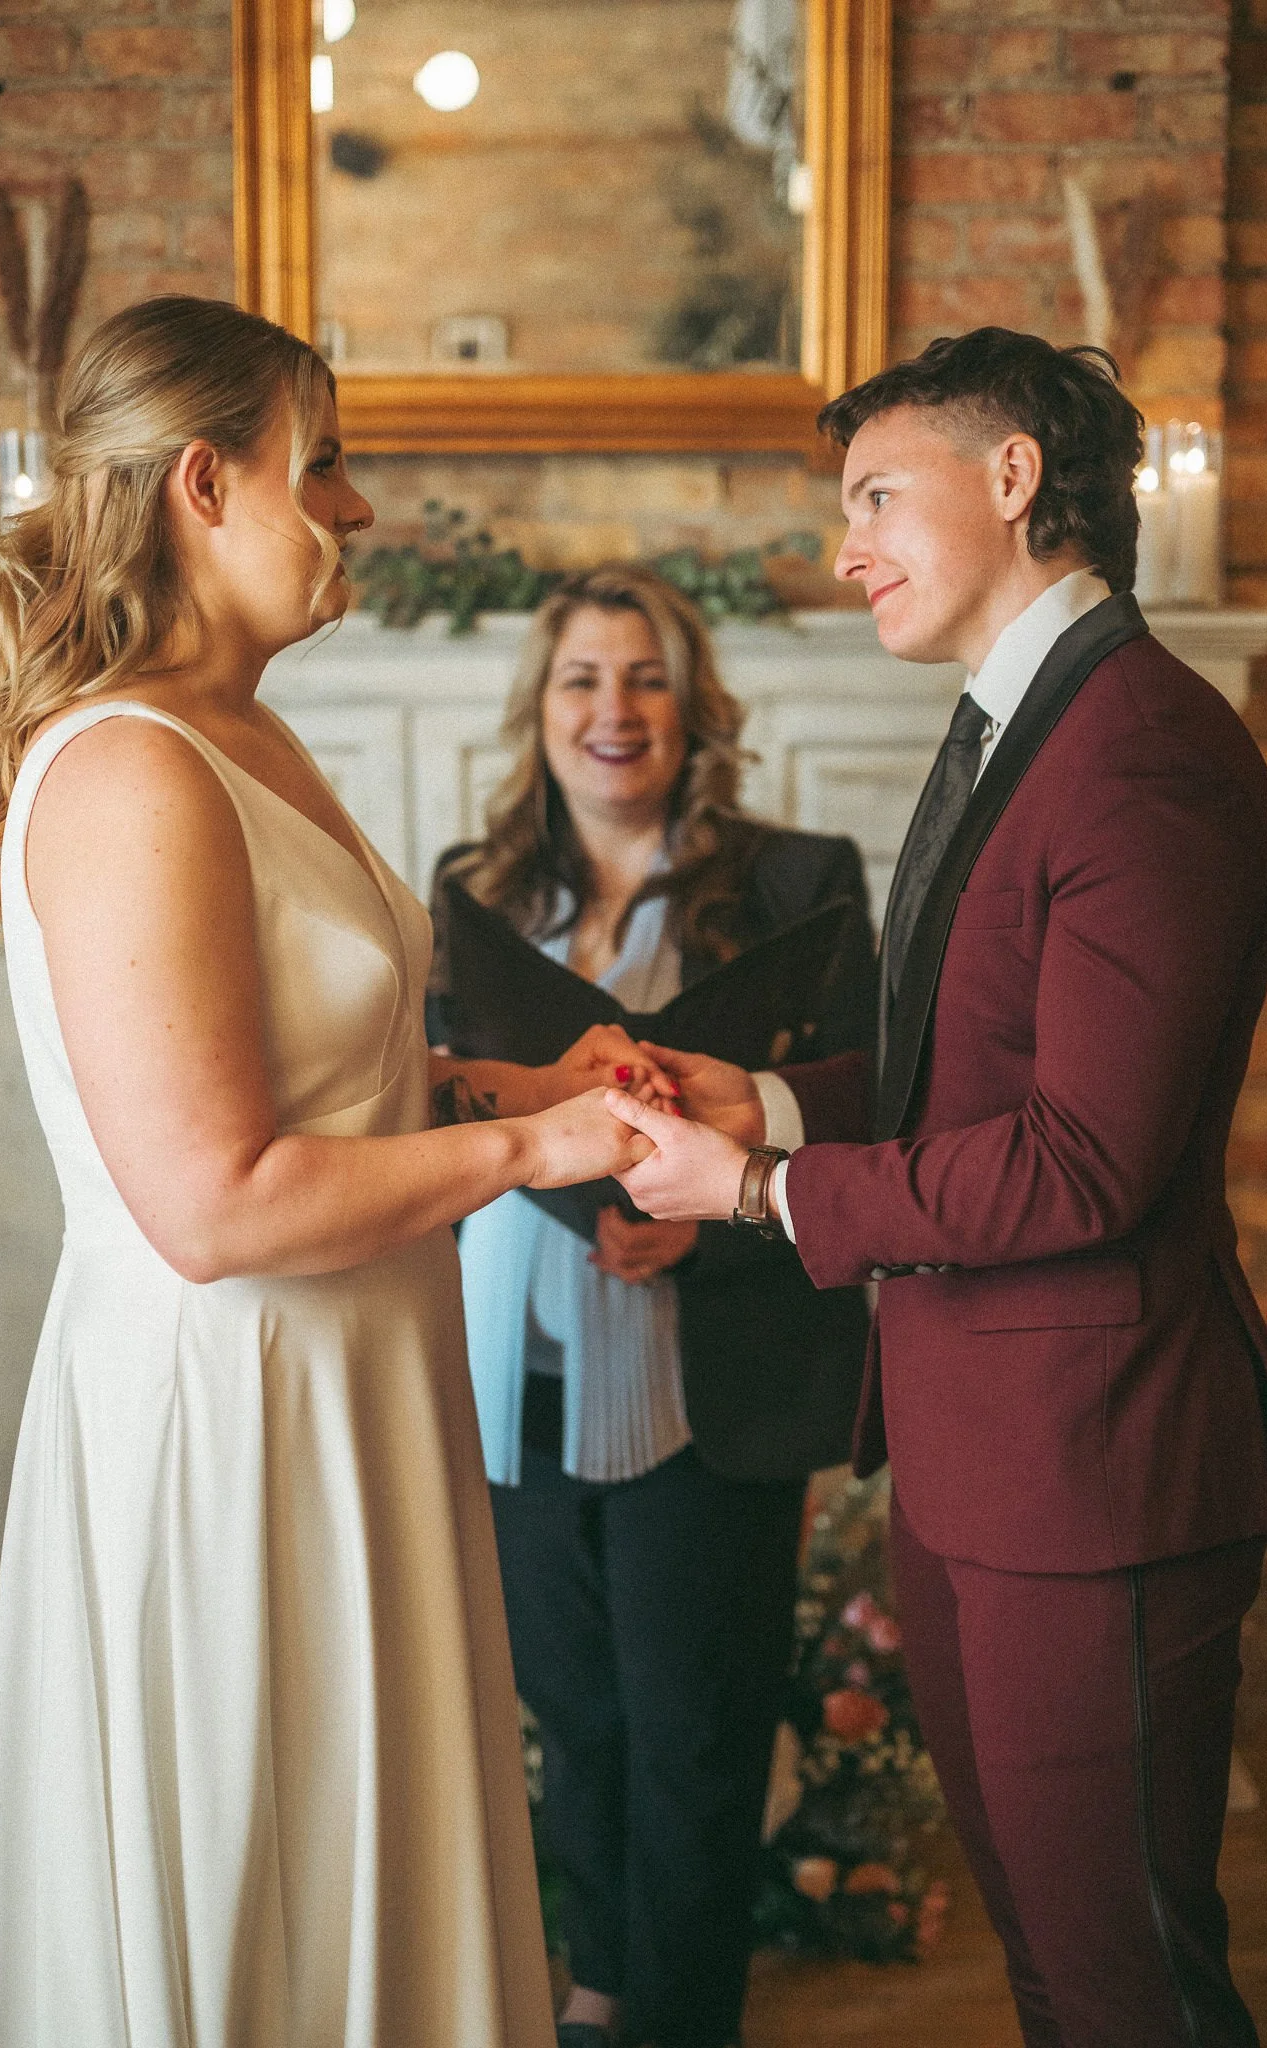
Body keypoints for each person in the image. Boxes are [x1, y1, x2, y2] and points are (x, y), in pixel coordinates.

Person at [0, 296, 661, 2048]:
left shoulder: (247, 731)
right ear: (204, 483)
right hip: (231, 1415)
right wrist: (530, 1147)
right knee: (261, 1878)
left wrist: (503, 1076)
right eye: (321, 465)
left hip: (357, 1386)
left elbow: (309, 1077)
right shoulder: (130, 769)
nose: (357, 506)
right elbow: (214, 1200)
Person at [603, 329, 1267, 2048]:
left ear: (1012, 481)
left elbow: (1085, 1160)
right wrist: (751, 1090)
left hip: (1101, 1473)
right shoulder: (1015, 726)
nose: (846, 548)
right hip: (976, 1459)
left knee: (1127, 1980)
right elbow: (960, 1078)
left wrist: (758, 1190)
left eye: (875, 497)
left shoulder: (1143, 746)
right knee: (1055, 1971)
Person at [427, 565, 877, 2048]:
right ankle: (596, 1993)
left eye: (646, 679)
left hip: (716, 1382)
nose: (612, 712)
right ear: (538, 712)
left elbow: (869, 1121)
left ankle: (685, 2022)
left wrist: (710, 1236)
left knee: (695, 1735)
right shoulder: (474, 897)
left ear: (697, 709)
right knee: (576, 1721)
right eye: (580, 681)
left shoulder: (801, 886)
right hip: (521, 1380)